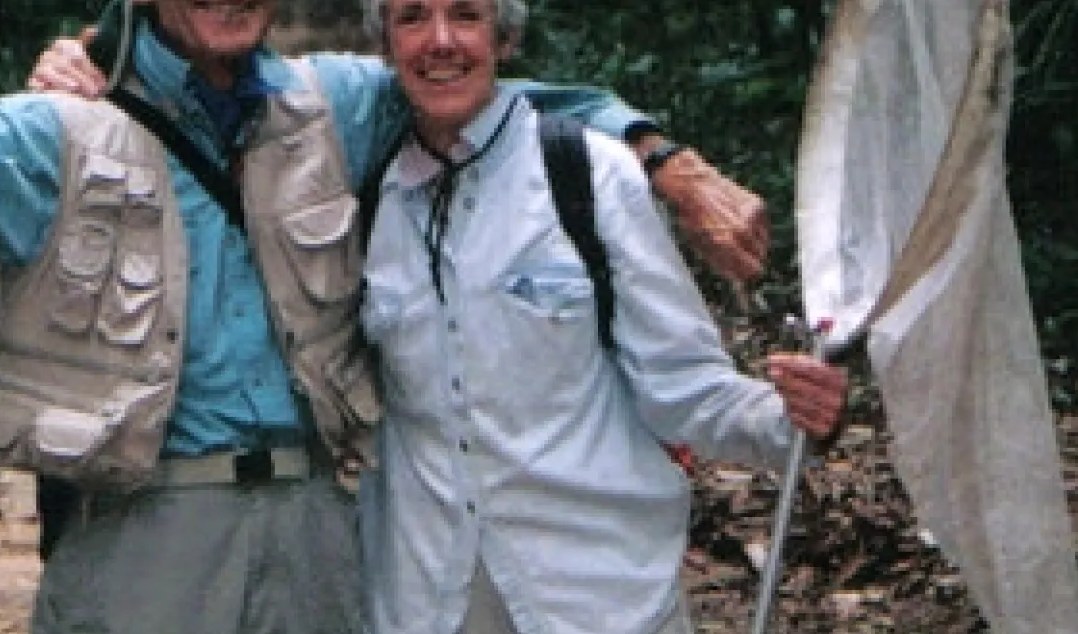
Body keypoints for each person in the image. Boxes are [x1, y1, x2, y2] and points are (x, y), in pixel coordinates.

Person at [0, 2, 749, 633]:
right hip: (143, 535)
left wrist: (663, 157)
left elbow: (487, 89)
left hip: (318, 528)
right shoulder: (51, 129)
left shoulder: (337, 104)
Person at [352, 1, 848, 633]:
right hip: (428, 599)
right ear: (385, 46)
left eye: (467, 15)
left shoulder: (590, 172)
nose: (440, 41)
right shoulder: (370, 197)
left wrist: (796, 419)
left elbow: (685, 386)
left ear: (503, 39)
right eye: (413, 17)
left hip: (599, 594)